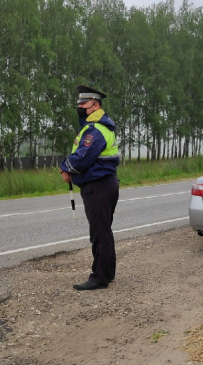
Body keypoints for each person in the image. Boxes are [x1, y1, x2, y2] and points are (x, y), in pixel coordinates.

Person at [60, 85, 121, 290]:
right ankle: (107, 273)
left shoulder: (96, 129)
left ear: (95, 105)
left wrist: (66, 168)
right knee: (104, 231)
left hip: (98, 185)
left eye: (84, 104)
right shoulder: (96, 126)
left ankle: (99, 278)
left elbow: (82, 157)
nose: (80, 107)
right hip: (104, 183)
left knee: (99, 233)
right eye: (79, 104)